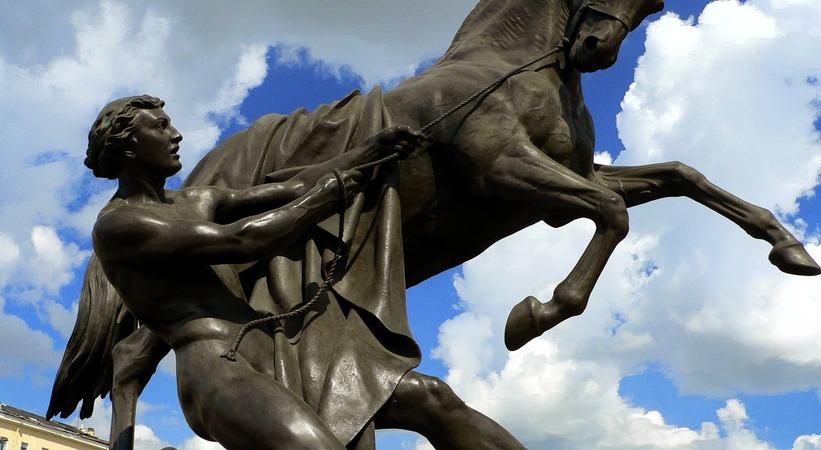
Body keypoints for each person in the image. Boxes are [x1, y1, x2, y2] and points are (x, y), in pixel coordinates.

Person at [86, 95, 526, 450]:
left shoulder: (197, 199)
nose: (176, 134)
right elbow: (242, 241)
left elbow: (294, 186)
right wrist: (322, 200)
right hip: (218, 369)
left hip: (276, 349)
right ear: (129, 146)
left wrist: (371, 150)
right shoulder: (120, 225)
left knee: (432, 398)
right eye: (160, 127)